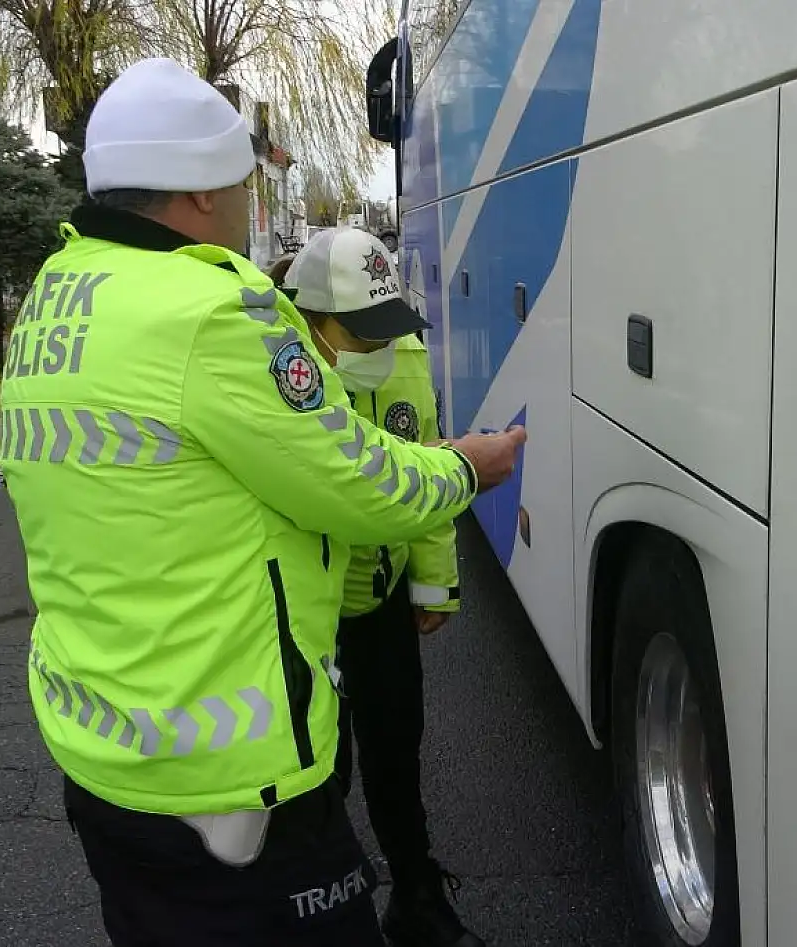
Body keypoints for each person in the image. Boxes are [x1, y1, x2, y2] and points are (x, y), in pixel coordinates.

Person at [0, 57, 526, 947]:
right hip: (228, 787)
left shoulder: (55, 297)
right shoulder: (213, 312)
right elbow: (359, 482)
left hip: (102, 756)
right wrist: (467, 468)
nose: (250, 200)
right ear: (201, 194)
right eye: (244, 180)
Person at [275, 229, 483, 947]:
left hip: (384, 597)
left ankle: (416, 895)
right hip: (310, 612)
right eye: (360, 334)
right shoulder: (271, 367)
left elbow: (426, 468)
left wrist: (435, 584)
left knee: (398, 752)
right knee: (321, 769)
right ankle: (322, 905)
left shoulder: (407, 359)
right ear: (310, 321)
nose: (381, 348)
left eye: (387, 328)